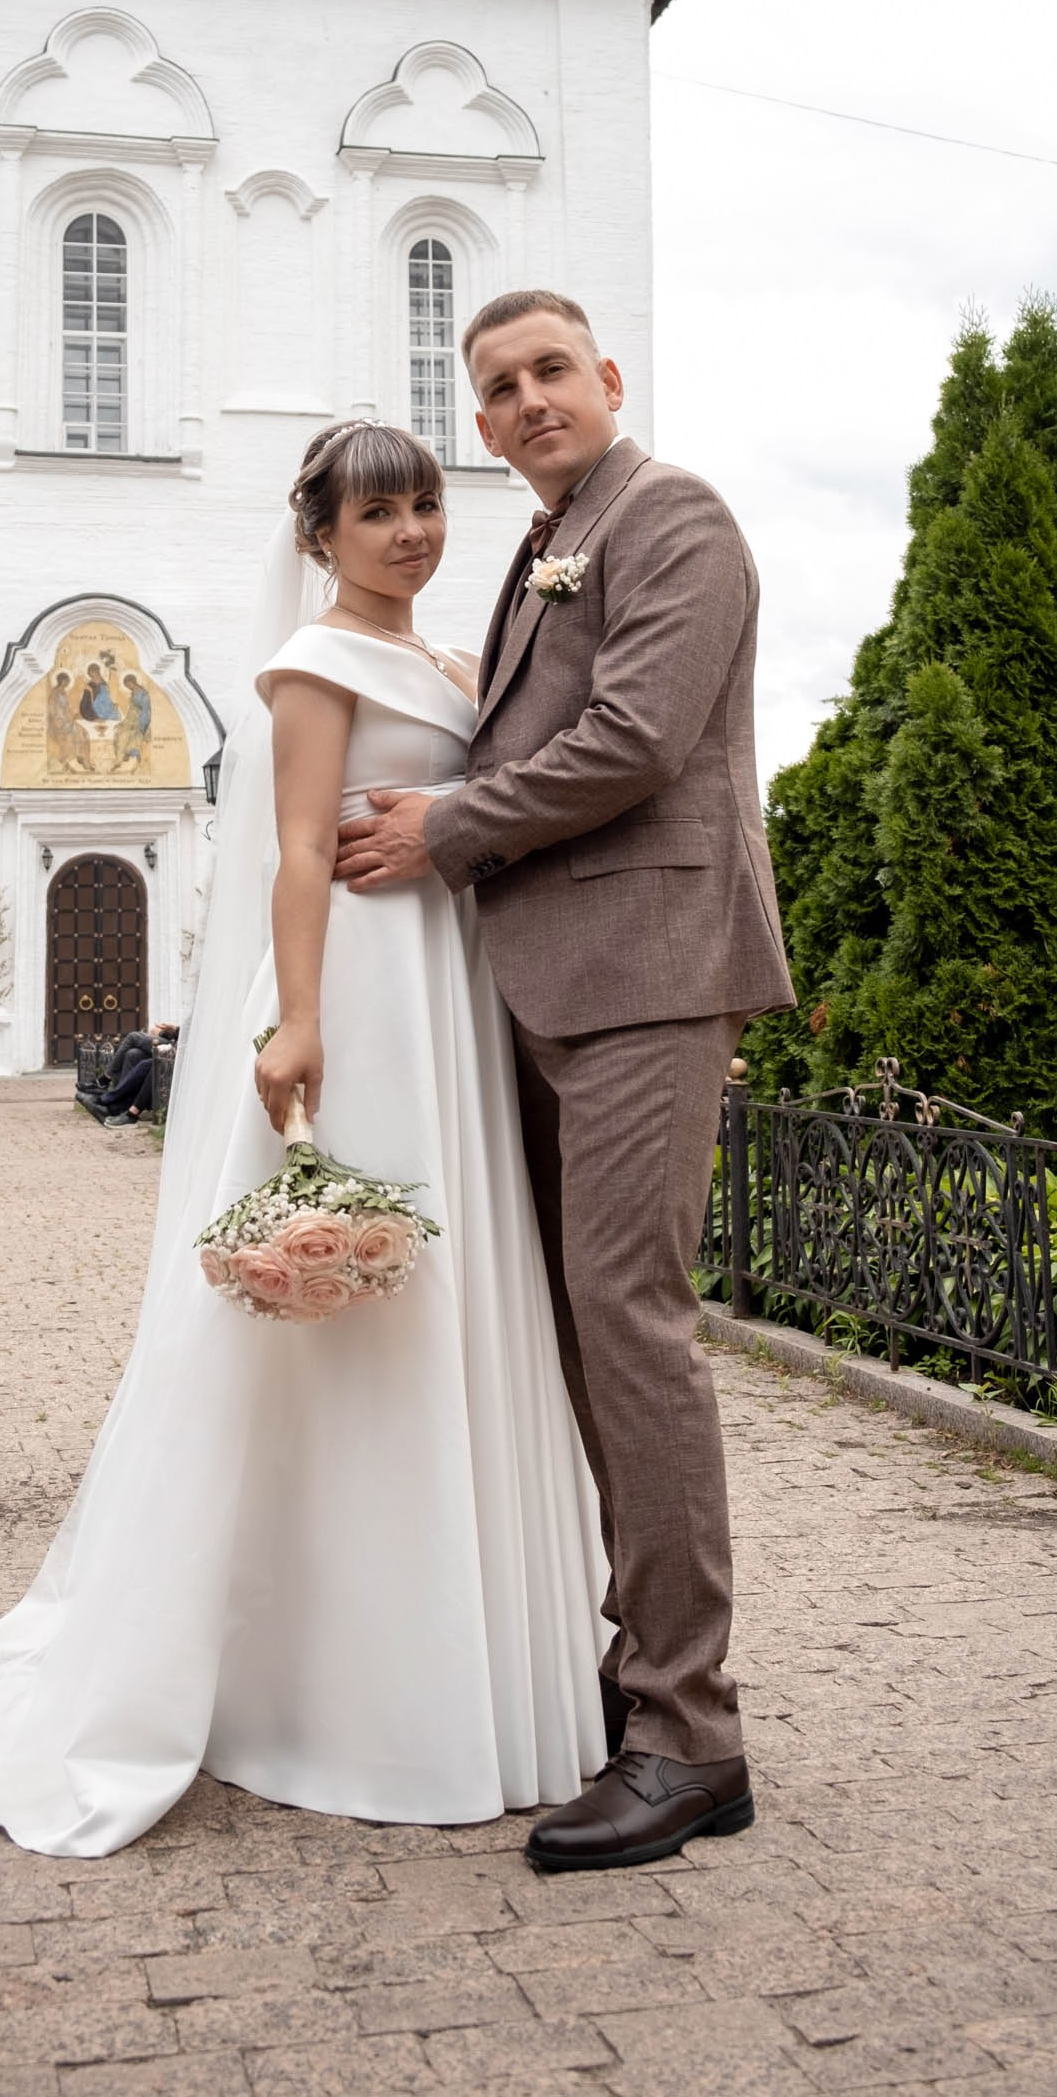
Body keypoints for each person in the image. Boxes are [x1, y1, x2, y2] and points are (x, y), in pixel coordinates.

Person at [0, 421, 605, 1857]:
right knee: (356, 1308)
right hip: (363, 992)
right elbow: (299, 848)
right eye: (377, 514)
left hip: (454, 994)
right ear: (321, 538)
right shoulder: (316, 668)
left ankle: (478, 1656)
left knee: (456, 1290)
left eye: (425, 504)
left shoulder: (456, 668)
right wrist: (295, 1024)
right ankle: (331, 1683)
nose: (412, 532)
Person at [334, 290, 792, 1872]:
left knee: (635, 1334)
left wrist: (439, 833)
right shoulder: (545, 546)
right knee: (580, 1344)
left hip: (652, 974)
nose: (528, 400)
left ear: (608, 379)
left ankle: (689, 1735)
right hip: (541, 983)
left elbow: (638, 740)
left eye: (551, 374)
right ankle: (633, 1676)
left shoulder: (675, 519)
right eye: (498, 386)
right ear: (480, 419)